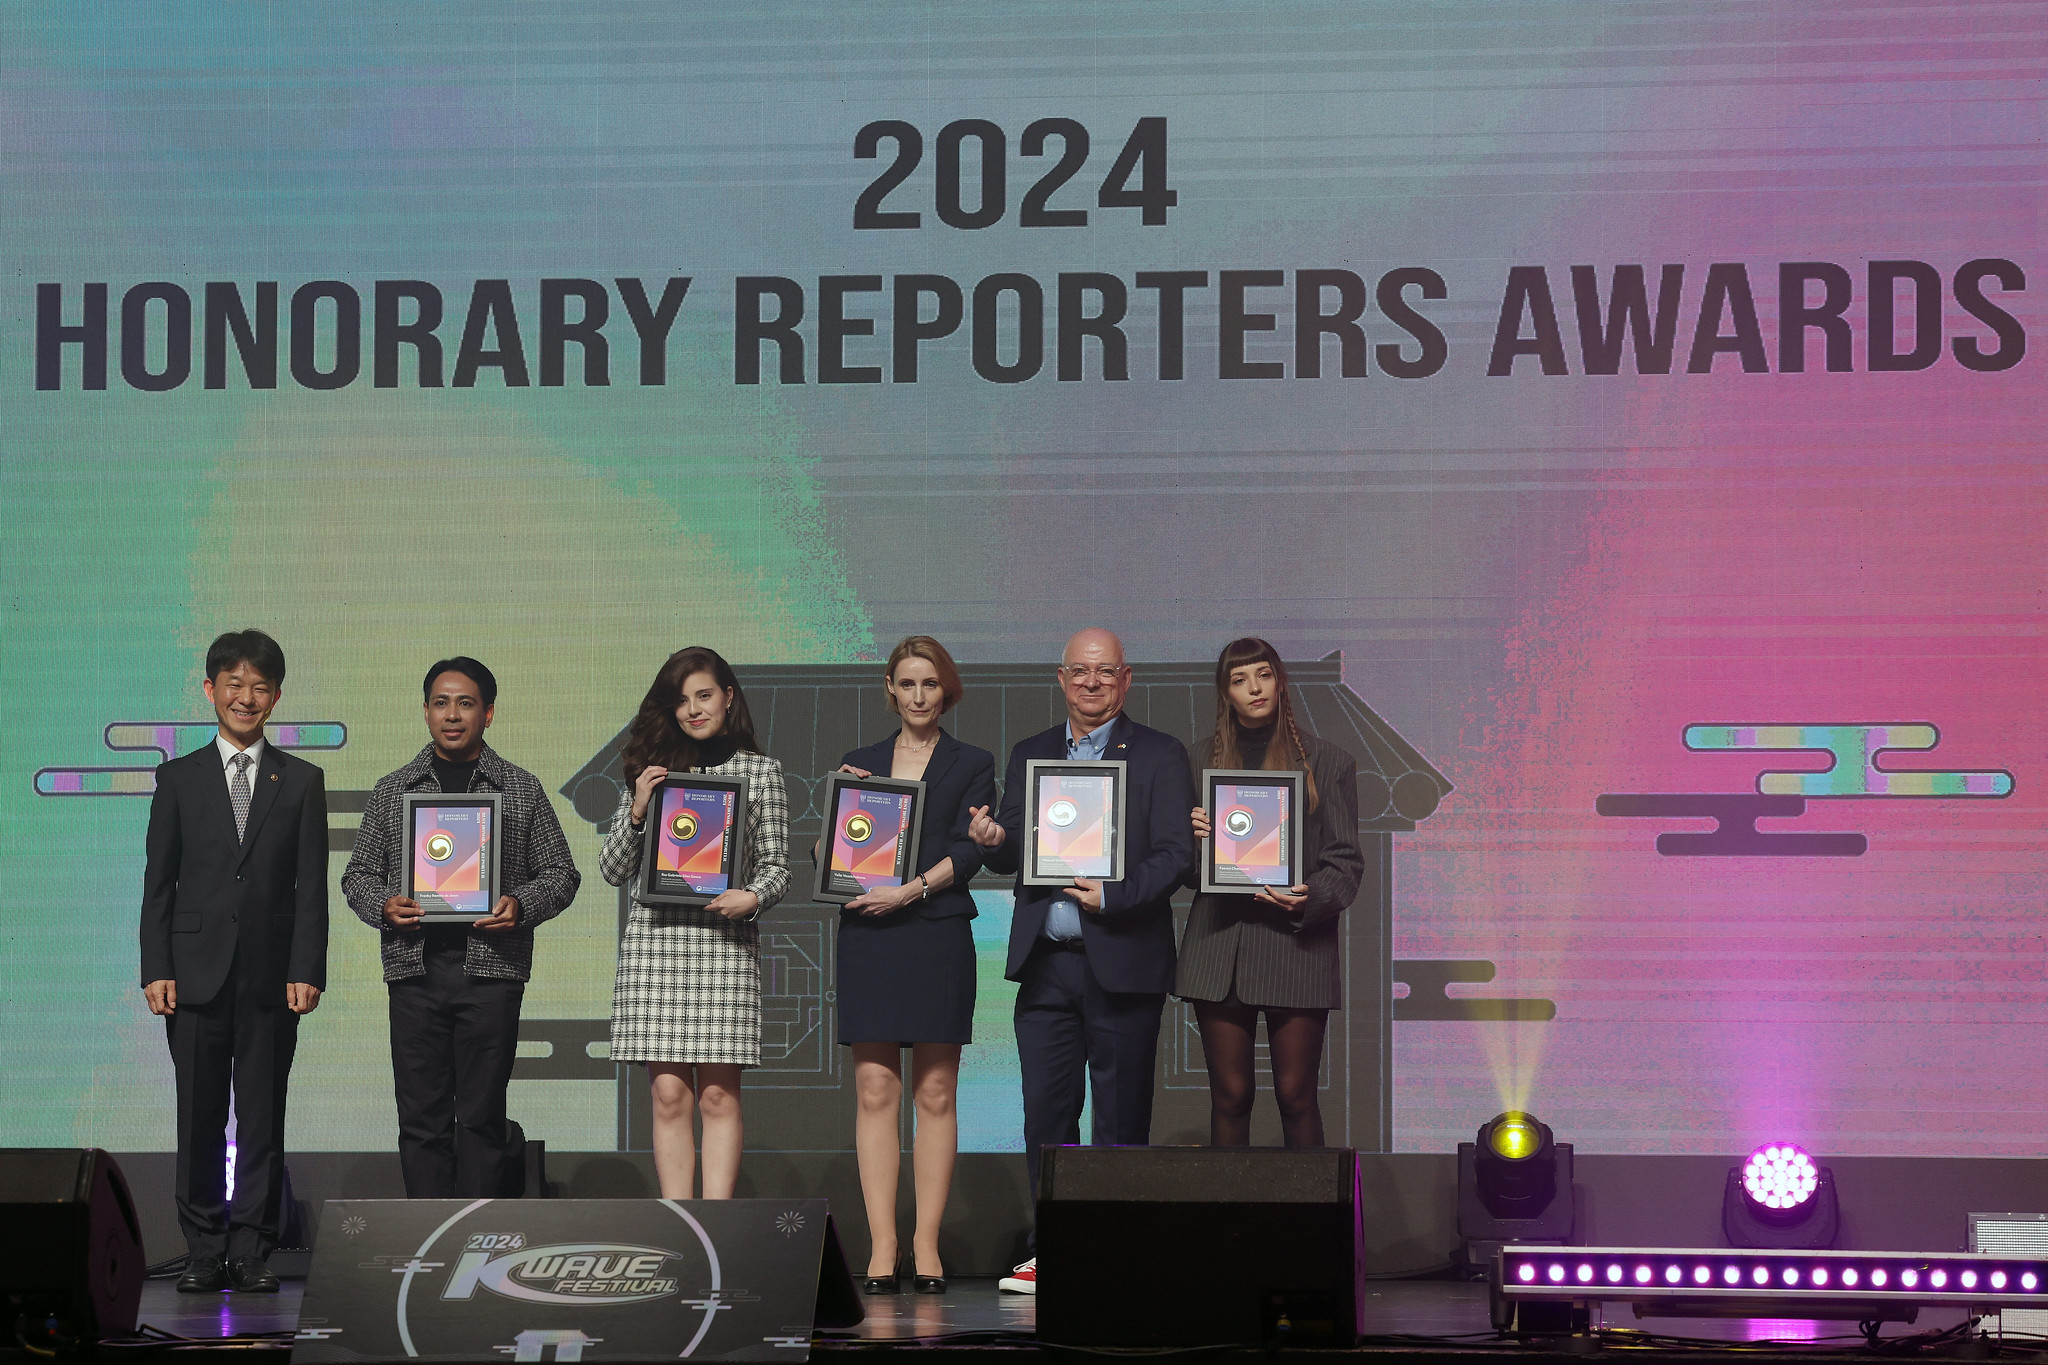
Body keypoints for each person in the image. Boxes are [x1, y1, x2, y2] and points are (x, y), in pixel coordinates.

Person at [969, 627, 1194, 1295]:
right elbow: (1011, 847)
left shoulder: (1158, 754)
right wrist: (991, 838)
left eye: (1105, 672)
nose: (1091, 682)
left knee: (1121, 1118)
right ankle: (1055, 1247)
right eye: (1079, 671)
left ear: (1126, 679)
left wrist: (1113, 894)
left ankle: (1117, 1250)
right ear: (1061, 678)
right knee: (1046, 1114)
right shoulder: (1032, 753)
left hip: (1124, 959)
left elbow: (1175, 853)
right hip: (1046, 961)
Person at [340, 657, 583, 1198]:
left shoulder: (520, 789)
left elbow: (563, 874)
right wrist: (385, 905)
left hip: (491, 971)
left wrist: (520, 904)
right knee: (421, 1117)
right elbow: (357, 875)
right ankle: (429, 1245)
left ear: (488, 714)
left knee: (481, 1115)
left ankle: (478, 1242)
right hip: (414, 970)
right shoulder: (393, 790)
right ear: (426, 712)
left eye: (466, 703)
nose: (453, 715)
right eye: (441, 703)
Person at [139, 629, 327, 1294]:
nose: (247, 697)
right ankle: (203, 1247)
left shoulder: (302, 780)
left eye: (260, 686)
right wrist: (156, 966)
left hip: (272, 978)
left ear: (276, 695)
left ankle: (251, 1249)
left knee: (262, 1114)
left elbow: (309, 889)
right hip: (192, 975)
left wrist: (307, 968)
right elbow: (158, 883)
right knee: (198, 1115)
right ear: (211, 688)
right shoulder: (178, 777)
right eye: (235, 683)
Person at [824, 636, 997, 1295]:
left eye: (930, 683)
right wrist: (838, 822)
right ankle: (882, 1244)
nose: (919, 695)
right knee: (875, 1092)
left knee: (935, 1093)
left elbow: (972, 851)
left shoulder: (972, 762)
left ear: (945, 689)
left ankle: (925, 1243)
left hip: (934, 930)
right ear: (890, 689)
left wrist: (914, 886)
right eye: (907, 683)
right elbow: (835, 851)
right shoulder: (859, 763)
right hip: (870, 931)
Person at [601, 647, 790, 1199]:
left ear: (728, 697)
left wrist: (751, 897)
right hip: (656, 947)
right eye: (682, 701)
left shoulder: (761, 773)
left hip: (724, 946)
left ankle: (718, 1227)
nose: (694, 710)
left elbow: (777, 867)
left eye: (704, 696)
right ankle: (680, 1226)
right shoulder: (651, 771)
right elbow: (613, 869)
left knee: (717, 1097)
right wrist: (638, 808)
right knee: (668, 1096)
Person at [1178, 638, 1363, 1147]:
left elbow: (1345, 861)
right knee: (1230, 1098)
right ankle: (1229, 1227)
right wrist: (1194, 843)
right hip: (1220, 948)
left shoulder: (1329, 762)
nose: (1254, 688)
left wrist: (1310, 896)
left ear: (1280, 681)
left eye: (1263, 675)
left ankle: (1309, 1229)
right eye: (1239, 680)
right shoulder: (1195, 762)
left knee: (1296, 1095)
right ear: (1225, 693)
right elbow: (1187, 873)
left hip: (1296, 946)